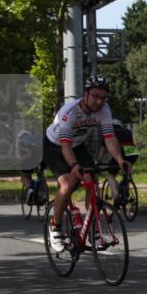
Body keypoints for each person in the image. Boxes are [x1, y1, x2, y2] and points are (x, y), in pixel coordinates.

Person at [44, 76, 131, 250]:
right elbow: (65, 146)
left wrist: (120, 159)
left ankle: (93, 228)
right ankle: (55, 226)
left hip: (77, 145)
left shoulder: (104, 110)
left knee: (93, 182)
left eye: (104, 97)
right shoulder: (69, 112)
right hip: (55, 145)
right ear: (85, 94)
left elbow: (109, 137)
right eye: (95, 96)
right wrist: (75, 166)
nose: (99, 101)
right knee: (67, 185)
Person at [96, 119, 139, 204]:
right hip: (133, 151)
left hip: (122, 151)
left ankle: (116, 196)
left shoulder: (109, 133)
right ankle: (126, 189)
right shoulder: (127, 131)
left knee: (110, 175)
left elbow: (103, 150)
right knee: (126, 170)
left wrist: (98, 161)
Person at [17, 129, 46, 205]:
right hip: (41, 160)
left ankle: (29, 189)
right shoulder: (35, 141)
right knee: (41, 175)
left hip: (28, 162)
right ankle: (43, 194)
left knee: (24, 175)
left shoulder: (21, 143)